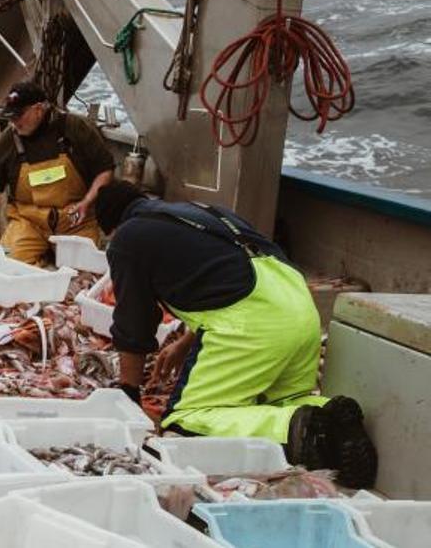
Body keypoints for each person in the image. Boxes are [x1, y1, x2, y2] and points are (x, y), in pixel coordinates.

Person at [93, 181, 377, 488]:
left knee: (184, 425)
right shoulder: (195, 211)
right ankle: (330, 417)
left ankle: (300, 428)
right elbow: (219, 275)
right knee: (277, 400)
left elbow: (133, 323)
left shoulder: (126, 238)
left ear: (111, 226)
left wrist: (128, 395)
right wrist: (186, 343)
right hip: (299, 308)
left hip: (252, 325)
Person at [0, 81, 114, 264]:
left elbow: (105, 170)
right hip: (29, 221)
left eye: (19, 116)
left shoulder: (75, 127)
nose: (14, 123)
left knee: (83, 273)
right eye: (10, 118)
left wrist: (86, 203)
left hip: (75, 220)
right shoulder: (8, 140)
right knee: (8, 265)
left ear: (38, 109)